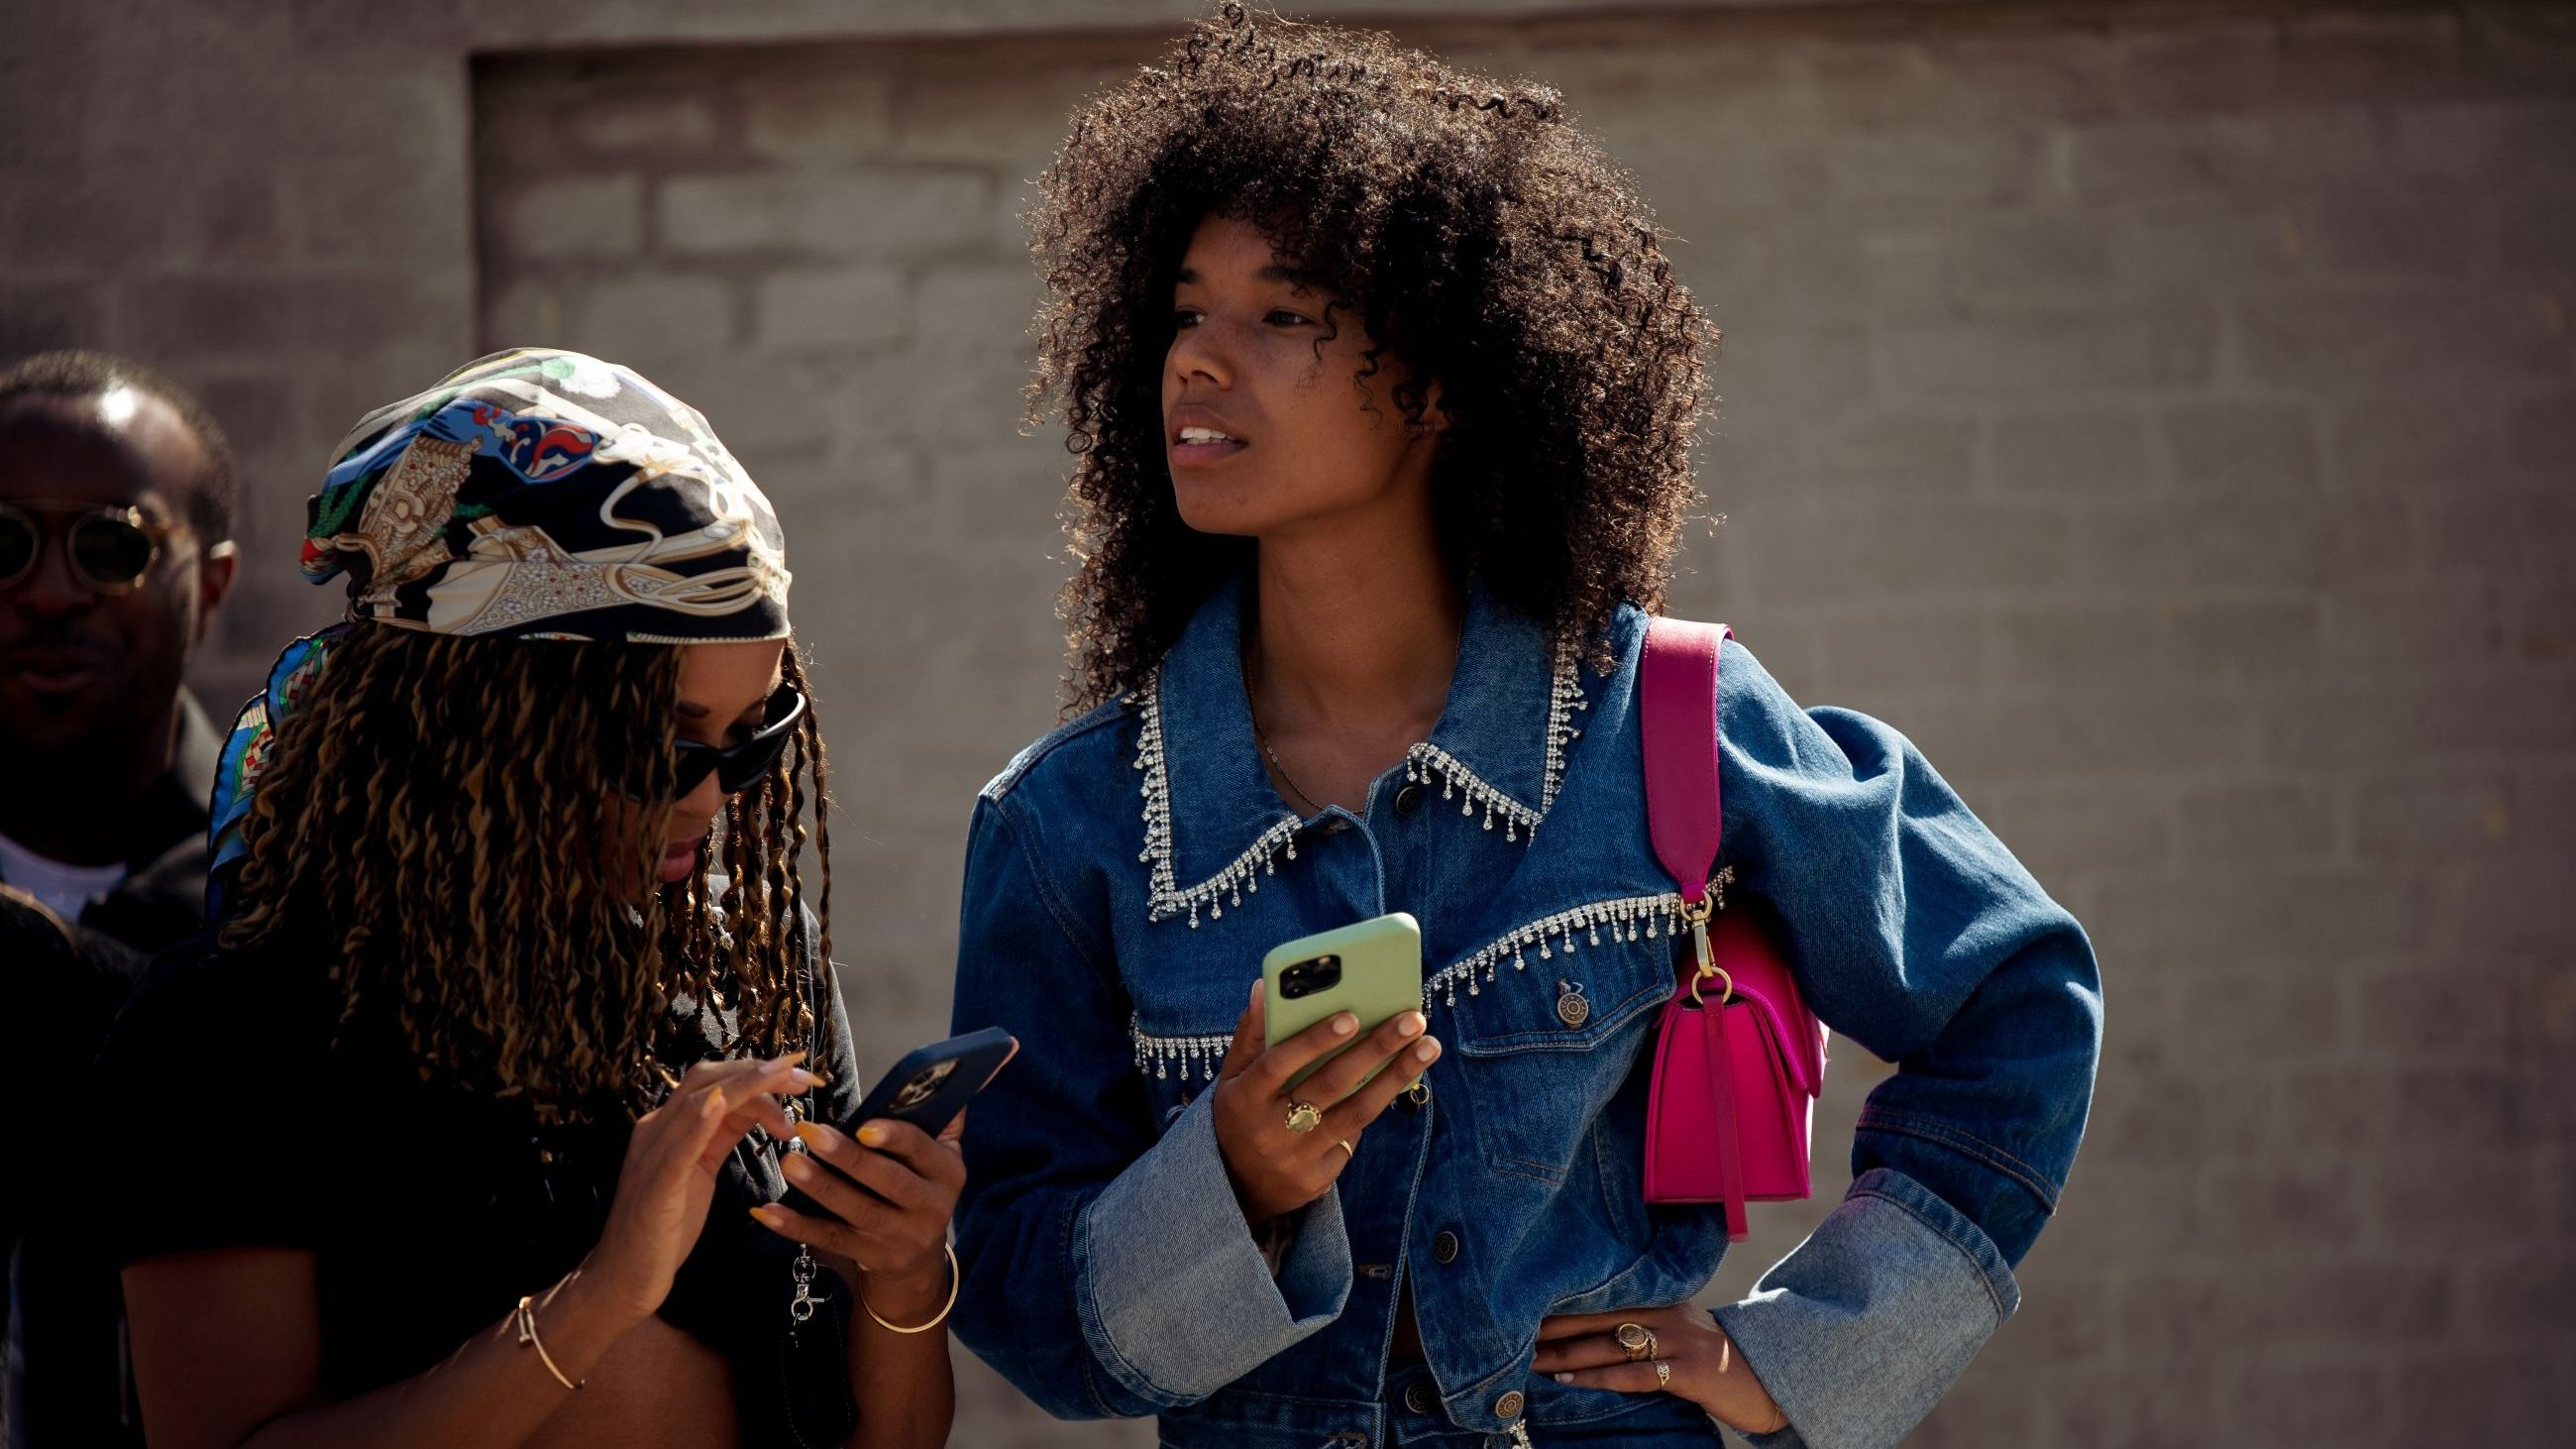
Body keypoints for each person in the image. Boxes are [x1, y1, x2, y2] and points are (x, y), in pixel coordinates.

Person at [946, 9, 2102, 1447]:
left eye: (1281, 314)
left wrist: (1798, 1357)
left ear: (1438, 382)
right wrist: (1230, 1176)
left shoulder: (1661, 723)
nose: (1199, 359)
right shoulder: (1066, 829)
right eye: (1187, 309)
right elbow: (1019, 1303)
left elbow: (2021, 999)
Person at [98, 349, 964, 1449]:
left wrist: (901, 1275)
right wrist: (602, 1295)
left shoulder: (746, 969)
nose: (708, 798)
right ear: (483, 720)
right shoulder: (233, 1031)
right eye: (663, 744)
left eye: (751, 744)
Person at [1, 349, 239, 1448]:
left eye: (112, 546)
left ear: (215, 583)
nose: (48, 591)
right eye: (4, 543)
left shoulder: (302, 896)